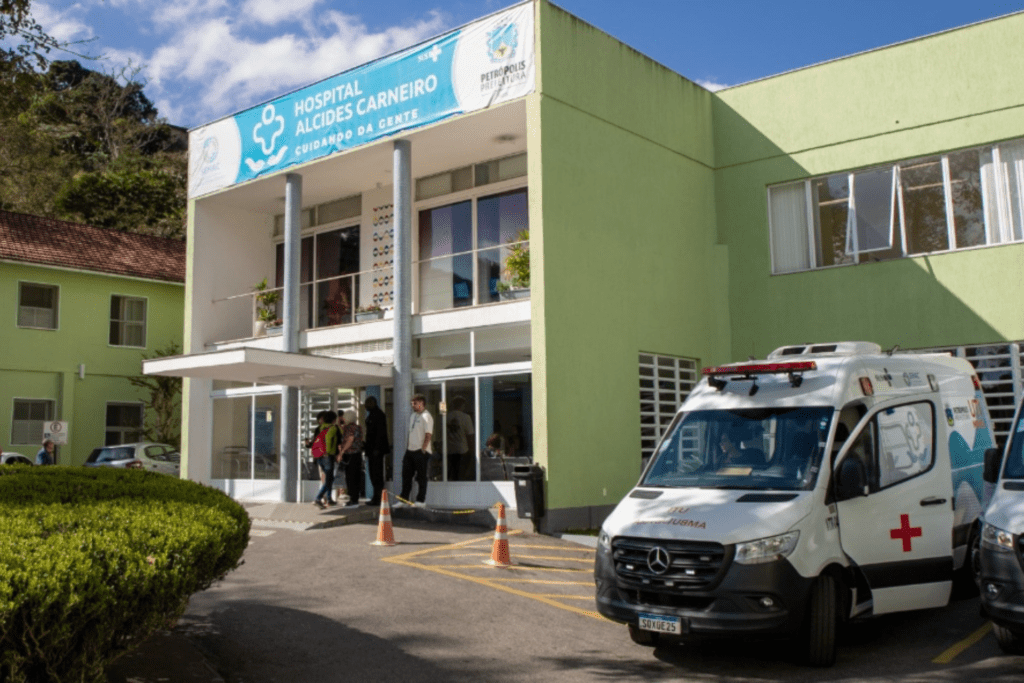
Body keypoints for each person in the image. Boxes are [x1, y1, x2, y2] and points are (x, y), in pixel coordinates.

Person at [399, 394, 433, 506]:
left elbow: (428, 434)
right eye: (411, 403)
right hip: (410, 450)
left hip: (421, 451)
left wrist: (423, 449)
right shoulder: (413, 415)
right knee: (406, 475)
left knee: (422, 477)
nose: (412, 405)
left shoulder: (427, 416)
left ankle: (420, 500)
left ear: (421, 403)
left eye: (414, 403)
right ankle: (403, 500)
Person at [363, 396, 389, 507]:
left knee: (377, 474)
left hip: (376, 450)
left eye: (367, 403)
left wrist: (377, 449)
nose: (365, 406)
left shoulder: (378, 415)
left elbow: (380, 434)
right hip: (371, 449)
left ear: (373, 403)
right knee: (373, 474)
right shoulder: (371, 415)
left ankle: (378, 498)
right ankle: (376, 496)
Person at [311, 410, 339, 509]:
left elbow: (315, 441)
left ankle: (329, 498)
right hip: (327, 456)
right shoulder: (333, 428)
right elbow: (328, 438)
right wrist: (328, 452)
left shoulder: (320, 427)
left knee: (329, 478)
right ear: (334, 419)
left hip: (319, 457)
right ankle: (318, 498)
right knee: (329, 479)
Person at [338, 410, 364, 508]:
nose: (343, 419)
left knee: (350, 478)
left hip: (350, 455)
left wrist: (342, 451)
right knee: (356, 477)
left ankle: (353, 500)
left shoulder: (349, 428)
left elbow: (350, 440)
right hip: (357, 454)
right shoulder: (358, 427)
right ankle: (355, 499)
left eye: (344, 417)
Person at [446, 396, 474, 481]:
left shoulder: (447, 417)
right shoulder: (466, 417)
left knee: (452, 474)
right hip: (462, 450)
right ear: (462, 405)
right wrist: (471, 450)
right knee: (461, 475)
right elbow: (470, 435)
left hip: (450, 450)